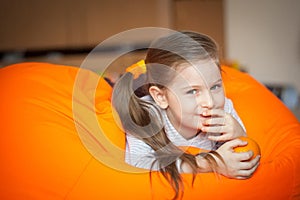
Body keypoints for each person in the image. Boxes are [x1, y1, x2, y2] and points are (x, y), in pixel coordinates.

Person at [112, 31, 260, 199]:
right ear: (161, 97)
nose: (210, 102)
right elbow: (137, 163)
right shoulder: (147, 116)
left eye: (215, 87)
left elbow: (243, 157)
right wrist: (209, 163)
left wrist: (239, 135)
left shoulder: (225, 108)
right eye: (193, 91)